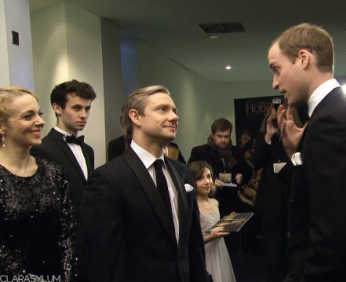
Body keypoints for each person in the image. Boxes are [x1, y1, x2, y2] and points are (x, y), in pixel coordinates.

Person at [268, 23, 346, 281]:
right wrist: (297, 154)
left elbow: (331, 238)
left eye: (277, 69)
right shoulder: (343, 112)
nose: (274, 83)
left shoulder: (330, 122)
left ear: (303, 58)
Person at [80, 85, 208, 282]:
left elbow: (194, 243)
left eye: (174, 110)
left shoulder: (182, 172)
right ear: (136, 117)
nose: (174, 117)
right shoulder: (108, 179)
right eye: (162, 109)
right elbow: (104, 259)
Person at [0, 86, 76, 280]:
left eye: (39, 113)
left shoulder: (54, 173)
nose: (40, 121)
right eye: (28, 116)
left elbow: (67, 235)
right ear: (2, 126)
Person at [30, 79, 96, 276]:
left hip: (90, 243)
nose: (83, 115)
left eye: (87, 109)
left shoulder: (88, 150)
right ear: (57, 108)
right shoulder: (42, 149)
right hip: (60, 247)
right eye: (77, 108)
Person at [252, 105, 294, 282]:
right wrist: (268, 136)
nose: (277, 120)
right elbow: (256, 162)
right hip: (270, 202)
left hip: (292, 199)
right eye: (274, 117)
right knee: (272, 248)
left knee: (291, 247)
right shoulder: (264, 138)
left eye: (281, 116)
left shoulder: (295, 136)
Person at [188, 161, 236, 282]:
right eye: (200, 178)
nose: (207, 182)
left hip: (219, 249)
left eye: (209, 176)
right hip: (204, 253)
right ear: (192, 181)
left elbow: (215, 225)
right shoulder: (193, 207)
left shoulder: (215, 202)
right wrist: (211, 237)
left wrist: (228, 220)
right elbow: (191, 242)